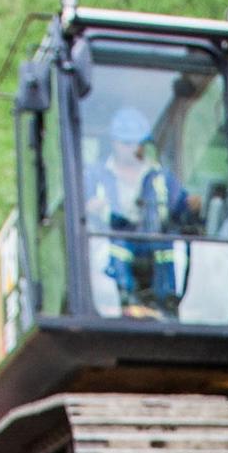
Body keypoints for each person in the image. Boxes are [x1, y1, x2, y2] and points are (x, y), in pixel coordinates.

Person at [84, 103, 195, 315]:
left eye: (136, 142)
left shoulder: (160, 176)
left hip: (154, 237)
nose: (132, 148)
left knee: (175, 248)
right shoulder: (96, 174)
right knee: (114, 249)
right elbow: (78, 207)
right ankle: (123, 299)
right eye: (126, 142)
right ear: (114, 142)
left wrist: (190, 203)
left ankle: (168, 302)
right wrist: (90, 207)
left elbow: (179, 204)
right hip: (114, 234)